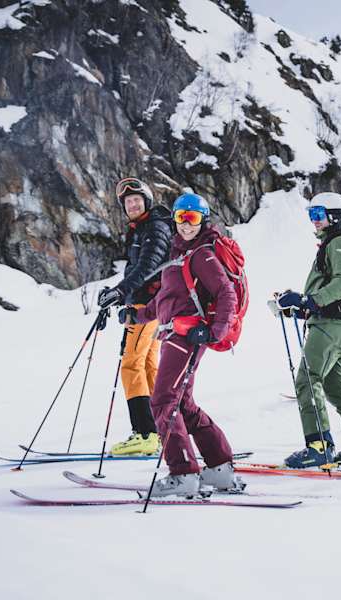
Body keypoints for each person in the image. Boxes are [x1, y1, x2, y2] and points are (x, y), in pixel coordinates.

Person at [119, 193, 239, 496]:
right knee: (182, 403)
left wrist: (215, 331)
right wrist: (137, 314)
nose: (186, 224)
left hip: (189, 336)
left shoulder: (202, 253)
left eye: (193, 218)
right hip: (173, 333)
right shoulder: (178, 253)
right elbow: (165, 299)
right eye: (181, 217)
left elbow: (226, 294)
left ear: (203, 220)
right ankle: (220, 468)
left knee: (162, 401)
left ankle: (183, 473)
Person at [276, 192, 341, 468]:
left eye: (318, 215)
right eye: (311, 215)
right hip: (333, 324)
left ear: (334, 216)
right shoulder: (334, 243)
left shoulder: (339, 243)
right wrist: (302, 306)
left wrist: (308, 300)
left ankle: (319, 446)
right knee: (336, 387)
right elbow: (331, 289)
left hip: (330, 326)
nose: (314, 221)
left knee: (307, 381)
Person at [96, 178, 173, 456]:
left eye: (137, 200)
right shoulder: (143, 228)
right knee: (149, 365)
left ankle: (145, 433)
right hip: (149, 304)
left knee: (131, 365)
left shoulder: (155, 227)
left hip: (147, 307)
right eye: (128, 202)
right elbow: (137, 269)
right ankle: (162, 431)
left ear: (147, 201)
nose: (132, 204)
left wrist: (120, 291)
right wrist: (118, 293)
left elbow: (148, 267)